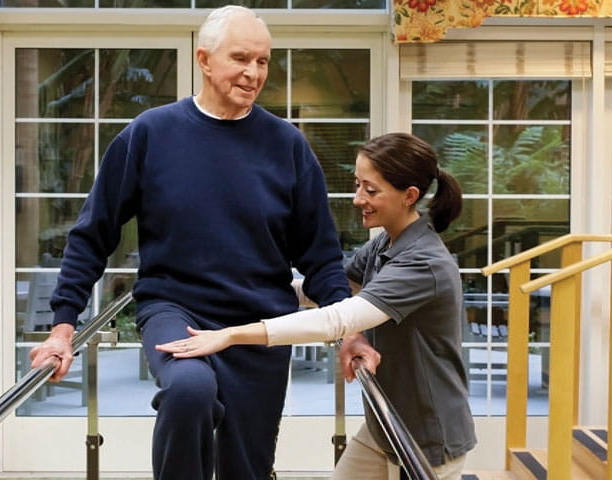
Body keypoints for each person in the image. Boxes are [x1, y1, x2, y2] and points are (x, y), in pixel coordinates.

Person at [29, 5, 351, 480]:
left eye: (263, 61)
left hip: (261, 324)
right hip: (175, 310)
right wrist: (62, 327)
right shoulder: (150, 134)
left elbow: (320, 256)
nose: (254, 72)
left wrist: (350, 329)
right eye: (241, 58)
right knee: (188, 391)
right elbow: (93, 235)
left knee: (248, 466)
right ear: (204, 59)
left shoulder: (287, 145)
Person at [157, 132, 477, 480]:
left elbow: (336, 318)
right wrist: (239, 290)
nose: (358, 199)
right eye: (358, 185)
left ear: (409, 196)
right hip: (383, 427)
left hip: (426, 436)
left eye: (371, 190)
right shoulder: (387, 242)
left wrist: (230, 335)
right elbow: (328, 290)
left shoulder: (424, 262)